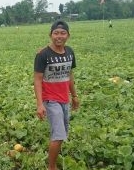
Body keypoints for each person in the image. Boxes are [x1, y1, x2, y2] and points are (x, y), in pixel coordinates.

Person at [33, 20, 80, 170]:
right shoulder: (42, 55)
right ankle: (51, 167)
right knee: (59, 135)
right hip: (50, 99)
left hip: (64, 99)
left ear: (68, 35)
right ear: (50, 35)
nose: (59, 36)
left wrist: (74, 96)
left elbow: (69, 75)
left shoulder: (70, 52)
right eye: (56, 33)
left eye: (62, 33)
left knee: (61, 133)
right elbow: (37, 79)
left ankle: (52, 161)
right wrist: (40, 104)